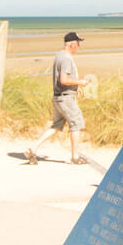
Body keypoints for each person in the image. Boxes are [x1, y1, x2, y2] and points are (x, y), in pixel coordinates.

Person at [25, 32, 90, 164]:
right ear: (72, 44)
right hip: (66, 99)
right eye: (78, 44)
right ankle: (75, 157)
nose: (78, 47)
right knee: (76, 124)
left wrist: (75, 89)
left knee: (56, 126)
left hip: (58, 97)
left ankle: (33, 148)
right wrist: (80, 82)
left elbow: (62, 79)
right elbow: (64, 79)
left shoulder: (59, 55)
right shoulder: (66, 58)